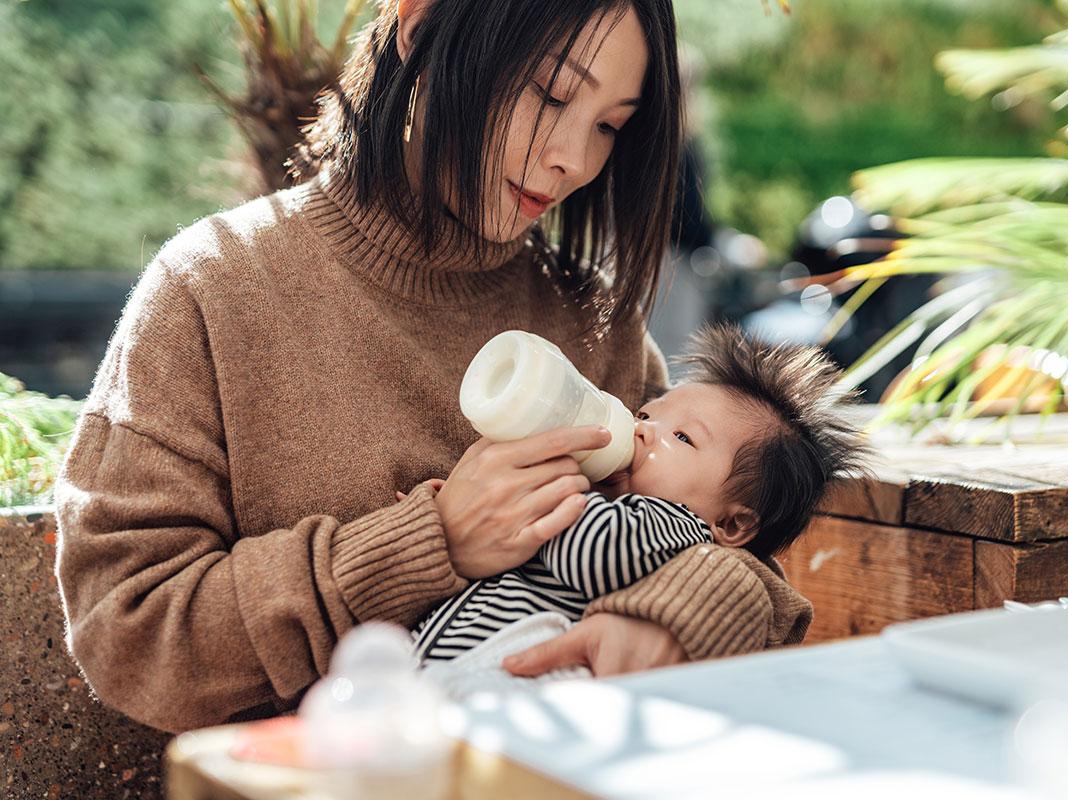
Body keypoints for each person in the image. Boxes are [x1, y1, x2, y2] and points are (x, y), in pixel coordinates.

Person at [53, 0, 813, 735]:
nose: (573, 160)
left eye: (611, 125)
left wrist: (672, 620)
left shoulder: (591, 320)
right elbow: (128, 635)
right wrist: (426, 544)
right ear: (420, 28)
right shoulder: (214, 287)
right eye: (551, 94)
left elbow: (738, 541)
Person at [412, 323, 867, 666]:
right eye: (646, 414)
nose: (642, 430)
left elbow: (591, 554)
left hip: (522, 673)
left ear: (730, 523)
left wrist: (524, 497)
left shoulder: (672, 525)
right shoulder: (613, 503)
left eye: (684, 438)